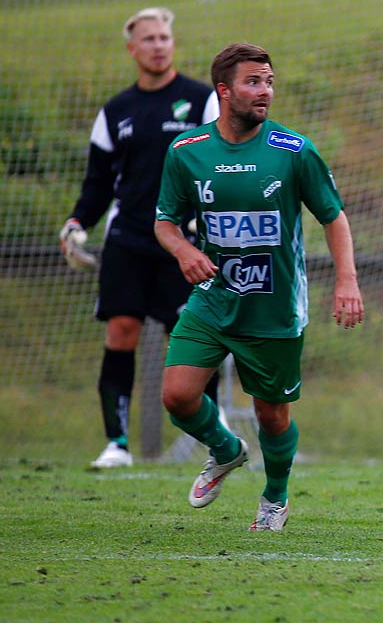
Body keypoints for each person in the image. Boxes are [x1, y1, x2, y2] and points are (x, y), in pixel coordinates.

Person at [153, 44, 365, 532]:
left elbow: (333, 217)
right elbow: (165, 222)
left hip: (274, 308)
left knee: (272, 416)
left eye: (268, 81)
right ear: (224, 91)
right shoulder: (187, 152)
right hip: (213, 299)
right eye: (253, 82)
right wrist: (185, 250)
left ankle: (275, 498)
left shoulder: (294, 151)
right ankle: (226, 449)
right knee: (178, 396)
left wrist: (346, 282)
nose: (264, 91)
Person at [60, 7, 220, 469]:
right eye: (148, 38)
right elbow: (97, 184)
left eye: (164, 37)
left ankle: (212, 441)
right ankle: (117, 444)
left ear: (173, 43)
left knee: (192, 340)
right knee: (121, 331)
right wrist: (76, 223)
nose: (158, 45)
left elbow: (221, 164)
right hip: (128, 237)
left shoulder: (202, 101)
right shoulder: (115, 111)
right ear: (133, 49)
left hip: (185, 243)